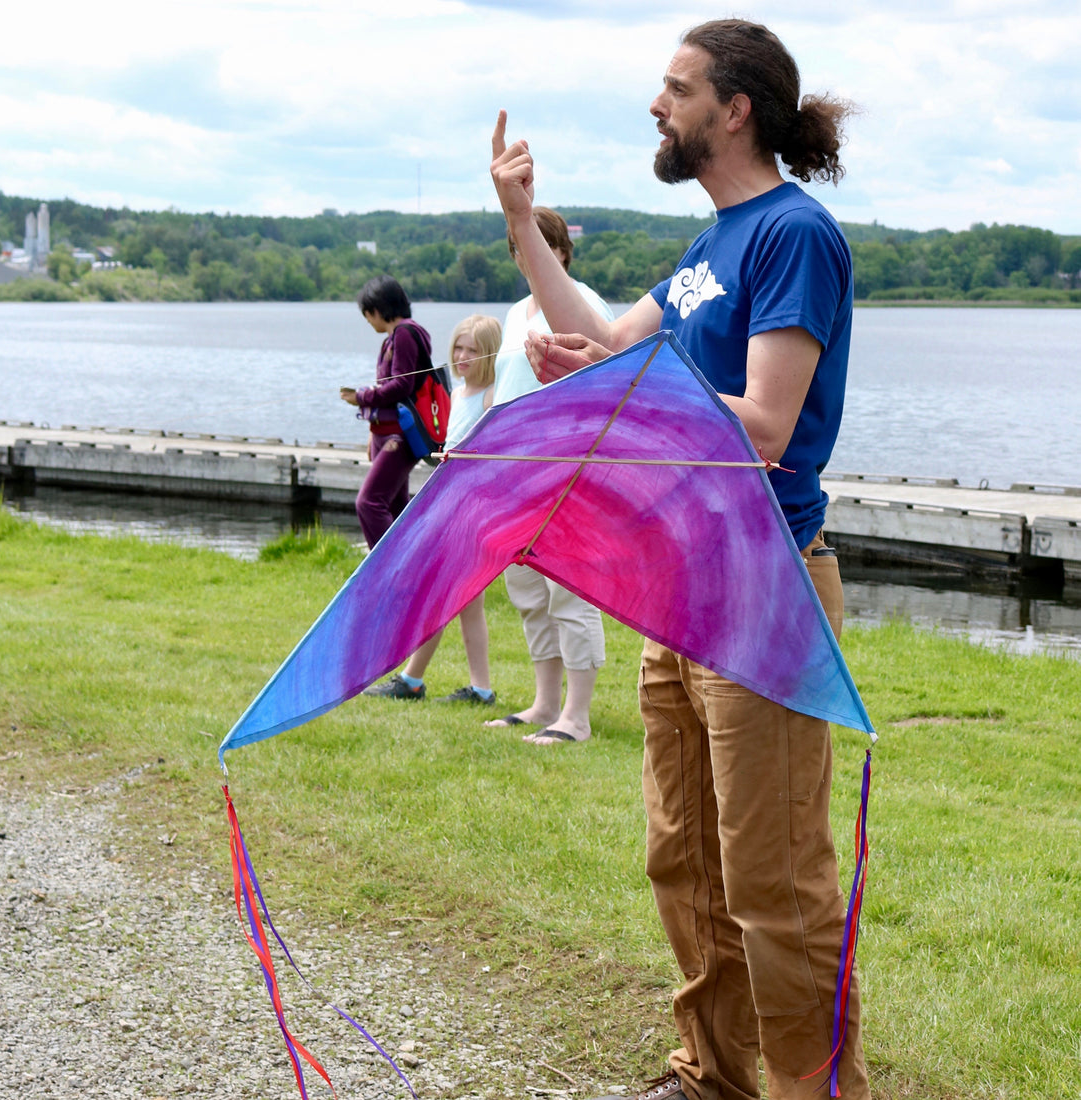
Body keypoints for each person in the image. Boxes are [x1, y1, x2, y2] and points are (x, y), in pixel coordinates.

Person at [491, 18, 870, 1100]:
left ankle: (810, 1089)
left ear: (732, 107)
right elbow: (609, 343)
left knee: (773, 881)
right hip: (678, 587)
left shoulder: (791, 234)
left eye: (674, 88)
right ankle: (709, 1073)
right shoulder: (711, 245)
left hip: (763, 590)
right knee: (684, 860)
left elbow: (763, 426)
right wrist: (524, 226)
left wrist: (637, 383)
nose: (656, 106)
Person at [483, 207, 614, 747]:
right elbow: (498, 391)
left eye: (533, 244)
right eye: (517, 246)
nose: (523, 256)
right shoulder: (516, 313)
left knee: (568, 590)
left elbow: (606, 387)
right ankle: (544, 703)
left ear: (558, 251)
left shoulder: (582, 307)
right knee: (528, 589)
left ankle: (576, 717)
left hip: (568, 474)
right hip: (514, 477)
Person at [364, 314, 502, 704]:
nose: (462, 356)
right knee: (459, 601)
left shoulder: (492, 396)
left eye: (472, 350)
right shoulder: (458, 393)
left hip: (471, 512)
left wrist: (462, 459)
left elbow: (492, 459)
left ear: (489, 353)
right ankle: (475, 687)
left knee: (444, 595)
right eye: (458, 346)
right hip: (446, 502)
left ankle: (416, 681)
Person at [341, 275, 431, 549]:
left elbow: (402, 385)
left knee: (368, 503)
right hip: (384, 433)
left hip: (398, 436)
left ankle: (387, 571)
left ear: (378, 309)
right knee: (395, 509)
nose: (368, 321)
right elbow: (391, 386)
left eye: (368, 314)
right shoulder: (391, 339)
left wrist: (361, 397)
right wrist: (373, 430)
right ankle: (411, 573)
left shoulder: (404, 333)